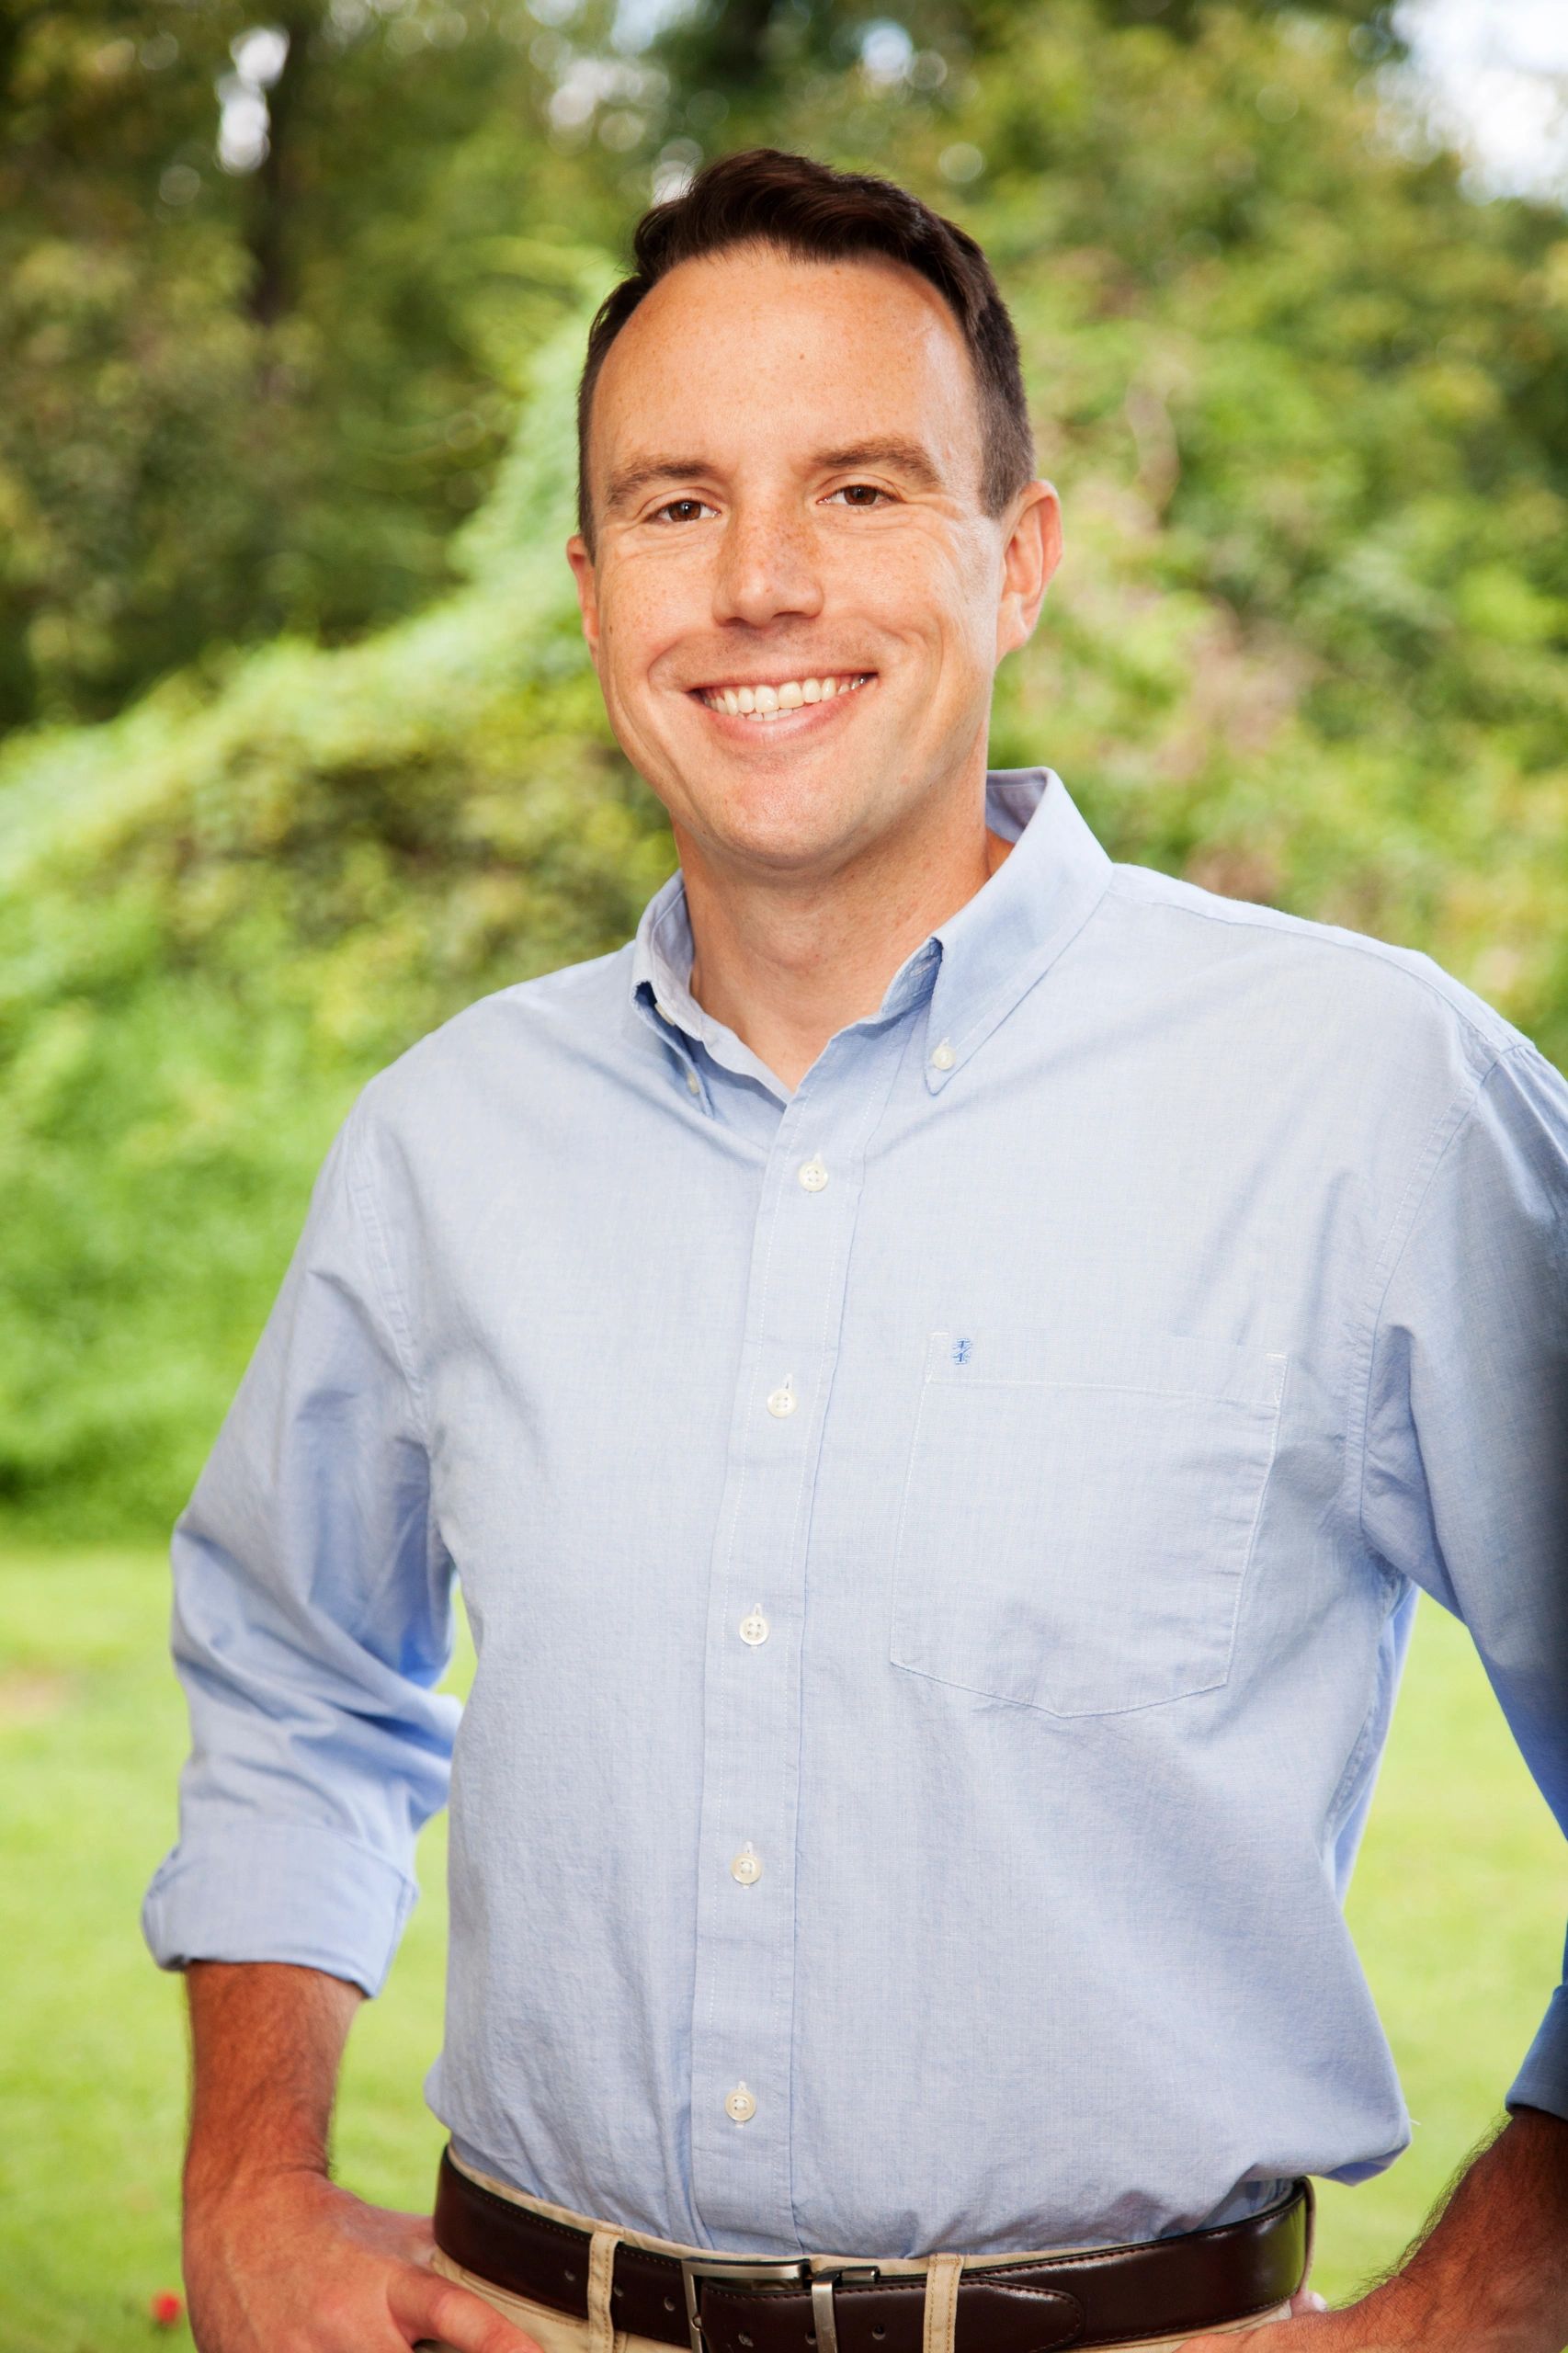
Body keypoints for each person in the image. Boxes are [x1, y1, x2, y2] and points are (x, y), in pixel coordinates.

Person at [142, 148, 1568, 2353]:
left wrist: (1482, 2297)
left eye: (865, 489)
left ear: (1020, 564)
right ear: (594, 583)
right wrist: (246, 2178)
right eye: (678, 502)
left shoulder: (1368, 1095)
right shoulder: (445, 1140)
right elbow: (297, 1676)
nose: (762, 581)